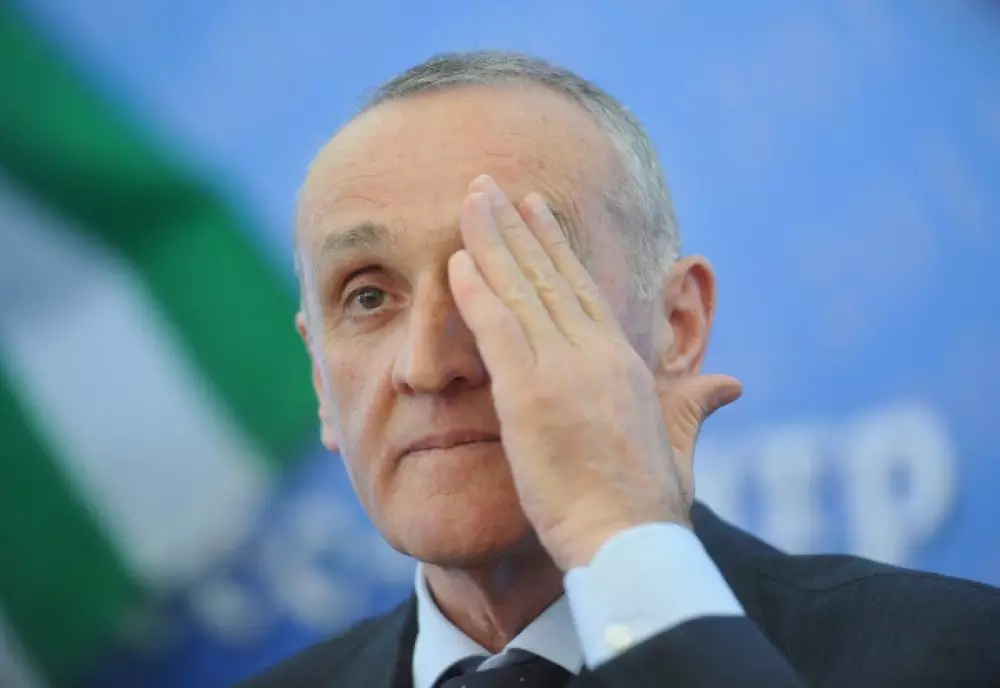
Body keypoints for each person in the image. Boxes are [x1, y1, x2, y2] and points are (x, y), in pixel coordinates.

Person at [239, 51, 1000, 687]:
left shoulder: (959, 652)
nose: (428, 365)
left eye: (508, 272)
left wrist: (621, 540)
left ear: (676, 326)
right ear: (321, 384)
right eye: (368, 296)